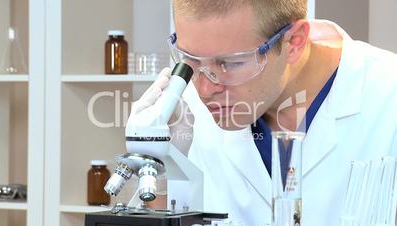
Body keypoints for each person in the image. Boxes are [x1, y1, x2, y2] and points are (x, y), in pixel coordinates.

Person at [133, 0, 397, 225]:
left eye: (231, 63)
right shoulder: (185, 107)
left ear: (294, 41)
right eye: (190, 58)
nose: (204, 88)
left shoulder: (387, 96)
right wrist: (166, 168)